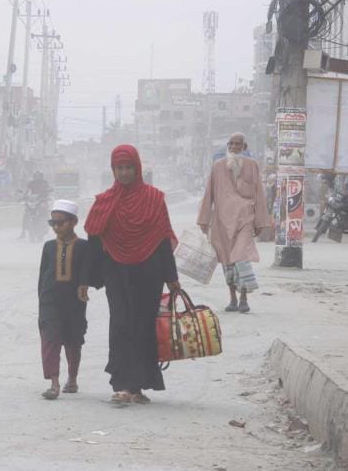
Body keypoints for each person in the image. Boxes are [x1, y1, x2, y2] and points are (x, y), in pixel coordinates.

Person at [82, 144, 180, 405]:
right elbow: (93, 238)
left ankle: (137, 386)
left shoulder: (154, 199)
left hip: (149, 272)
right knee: (121, 324)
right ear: (113, 170)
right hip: (116, 271)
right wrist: (87, 279)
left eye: (129, 168)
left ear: (137, 169)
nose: (124, 173)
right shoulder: (104, 202)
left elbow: (161, 240)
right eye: (119, 168)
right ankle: (122, 383)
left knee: (143, 326)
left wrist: (172, 278)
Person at [198, 133, 272, 313]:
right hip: (222, 221)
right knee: (227, 262)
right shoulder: (217, 166)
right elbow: (209, 194)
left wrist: (261, 221)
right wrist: (204, 219)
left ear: (244, 147)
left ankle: (244, 298)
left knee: (242, 257)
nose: (233, 147)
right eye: (230, 144)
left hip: (245, 220)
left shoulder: (252, 166)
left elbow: (259, 194)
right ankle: (232, 299)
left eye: (237, 144)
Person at [37, 199, 96, 400]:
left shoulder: (84, 246)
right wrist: (41, 300)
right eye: (52, 223)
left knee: (73, 339)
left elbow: (87, 271)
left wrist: (84, 286)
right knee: (50, 339)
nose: (56, 227)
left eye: (60, 222)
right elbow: (42, 275)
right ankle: (54, 382)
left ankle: (72, 379)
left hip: (74, 301)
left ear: (73, 222)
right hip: (50, 299)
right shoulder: (48, 246)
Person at [19, 171, 52, 238]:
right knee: (26, 214)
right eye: (36, 176)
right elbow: (27, 190)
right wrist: (23, 197)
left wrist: (46, 196)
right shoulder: (31, 183)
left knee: (45, 211)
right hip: (33, 201)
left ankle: (46, 224)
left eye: (38, 176)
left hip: (42, 200)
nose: (37, 177)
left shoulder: (44, 183)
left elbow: (48, 190)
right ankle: (23, 232)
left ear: (41, 176)